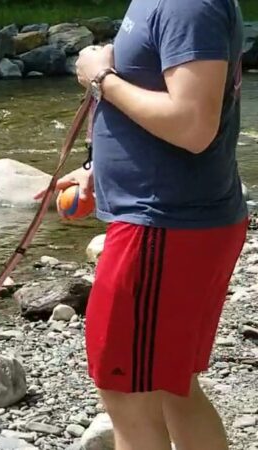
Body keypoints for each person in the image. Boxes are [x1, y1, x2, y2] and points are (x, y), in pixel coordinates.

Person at [36, 1, 247, 449]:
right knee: (172, 385)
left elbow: (193, 125)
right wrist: (102, 173)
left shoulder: (188, 5)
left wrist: (101, 79)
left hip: (165, 226)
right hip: (175, 220)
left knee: (126, 391)